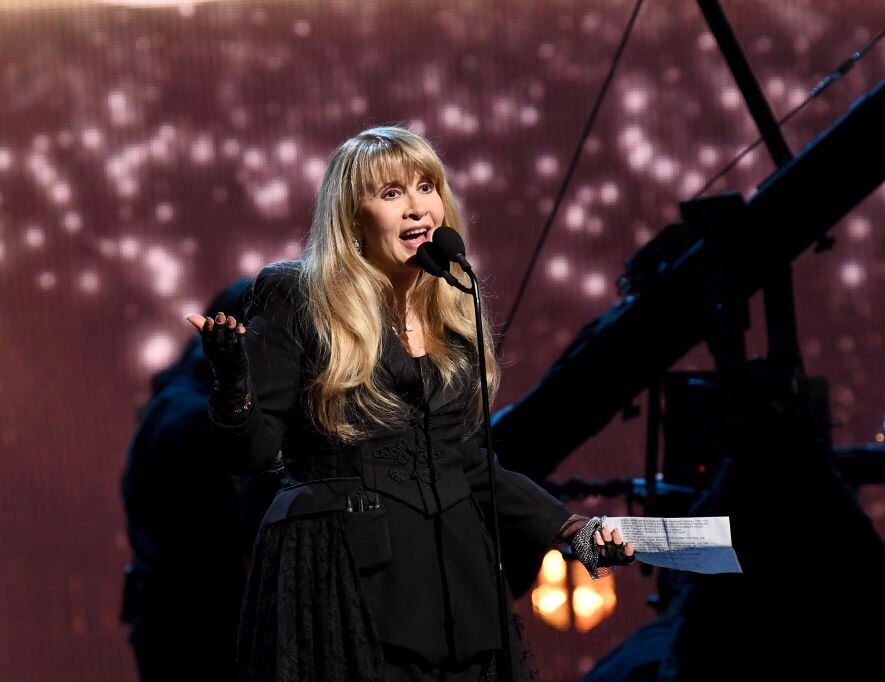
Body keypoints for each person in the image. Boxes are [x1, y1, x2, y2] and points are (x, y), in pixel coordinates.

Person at [186, 125, 636, 681]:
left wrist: (570, 529)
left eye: (427, 187)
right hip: (345, 576)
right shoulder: (299, 294)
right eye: (392, 193)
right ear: (353, 217)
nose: (417, 208)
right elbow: (251, 454)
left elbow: (468, 463)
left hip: (454, 582)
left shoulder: (451, 310)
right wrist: (233, 380)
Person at [120, 277, 281, 682]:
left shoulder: (175, 404)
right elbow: (209, 545)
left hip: (176, 622)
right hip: (198, 632)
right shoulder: (195, 422)